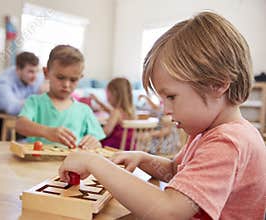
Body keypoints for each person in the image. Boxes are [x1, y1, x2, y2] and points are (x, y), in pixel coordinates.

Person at [58, 12, 266, 219]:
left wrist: (94, 162)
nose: (165, 109)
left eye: (171, 96)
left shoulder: (227, 142)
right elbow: (176, 171)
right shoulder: (206, 132)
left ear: (218, 84)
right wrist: (144, 159)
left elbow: (169, 211)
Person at [15, 45, 105, 149]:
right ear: (46, 73)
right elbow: (20, 125)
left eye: (73, 80)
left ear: (80, 78)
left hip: (72, 164)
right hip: (36, 163)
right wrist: (47, 132)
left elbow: (98, 143)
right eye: (60, 77)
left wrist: (94, 143)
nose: (66, 84)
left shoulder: (84, 110)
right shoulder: (35, 102)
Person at [0, 51, 48, 140]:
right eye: (30, 72)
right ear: (18, 70)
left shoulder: (35, 77)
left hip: (13, 114)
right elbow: (11, 108)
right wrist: (35, 100)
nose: (34, 76)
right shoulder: (4, 81)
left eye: (36, 71)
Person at [90, 77, 136, 150]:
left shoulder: (116, 112)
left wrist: (93, 132)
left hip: (114, 147)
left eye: (107, 93)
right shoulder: (131, 111)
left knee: (92, 143)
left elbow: (105, 132)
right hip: (129, 147)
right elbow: (110, 112)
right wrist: (98, 101)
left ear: (114, 94)